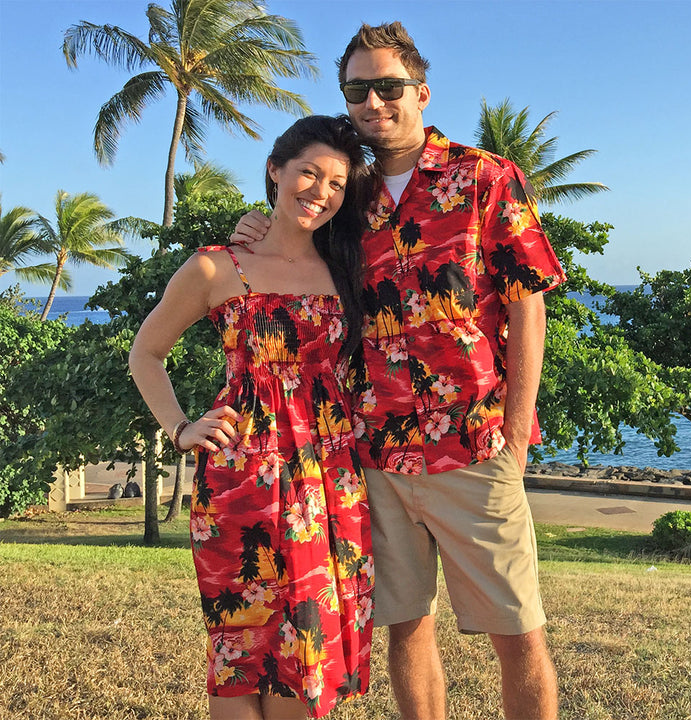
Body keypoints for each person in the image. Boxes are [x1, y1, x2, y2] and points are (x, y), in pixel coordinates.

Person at [232, 22, 566, 720]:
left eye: (388, 86)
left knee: (518, 632)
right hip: (373, 450)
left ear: (421, 90)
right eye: (358, 89)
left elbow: (527, 306)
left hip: (474, 445)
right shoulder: (342, 195)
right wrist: (252, 225)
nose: (373, 102)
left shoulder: (485, 177)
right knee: (406, 629)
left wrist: (517, 426)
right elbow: (288, 235)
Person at [129, 115, 374, 720]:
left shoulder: (347, 266)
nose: (320, 191)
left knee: (306, 659)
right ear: (275, 170)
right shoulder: (218, 267)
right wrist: (183, 428)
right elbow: (145, 353)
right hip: (243, 482)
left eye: (337, 184)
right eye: (308, 173)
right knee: (240, 655)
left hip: (331, 483)